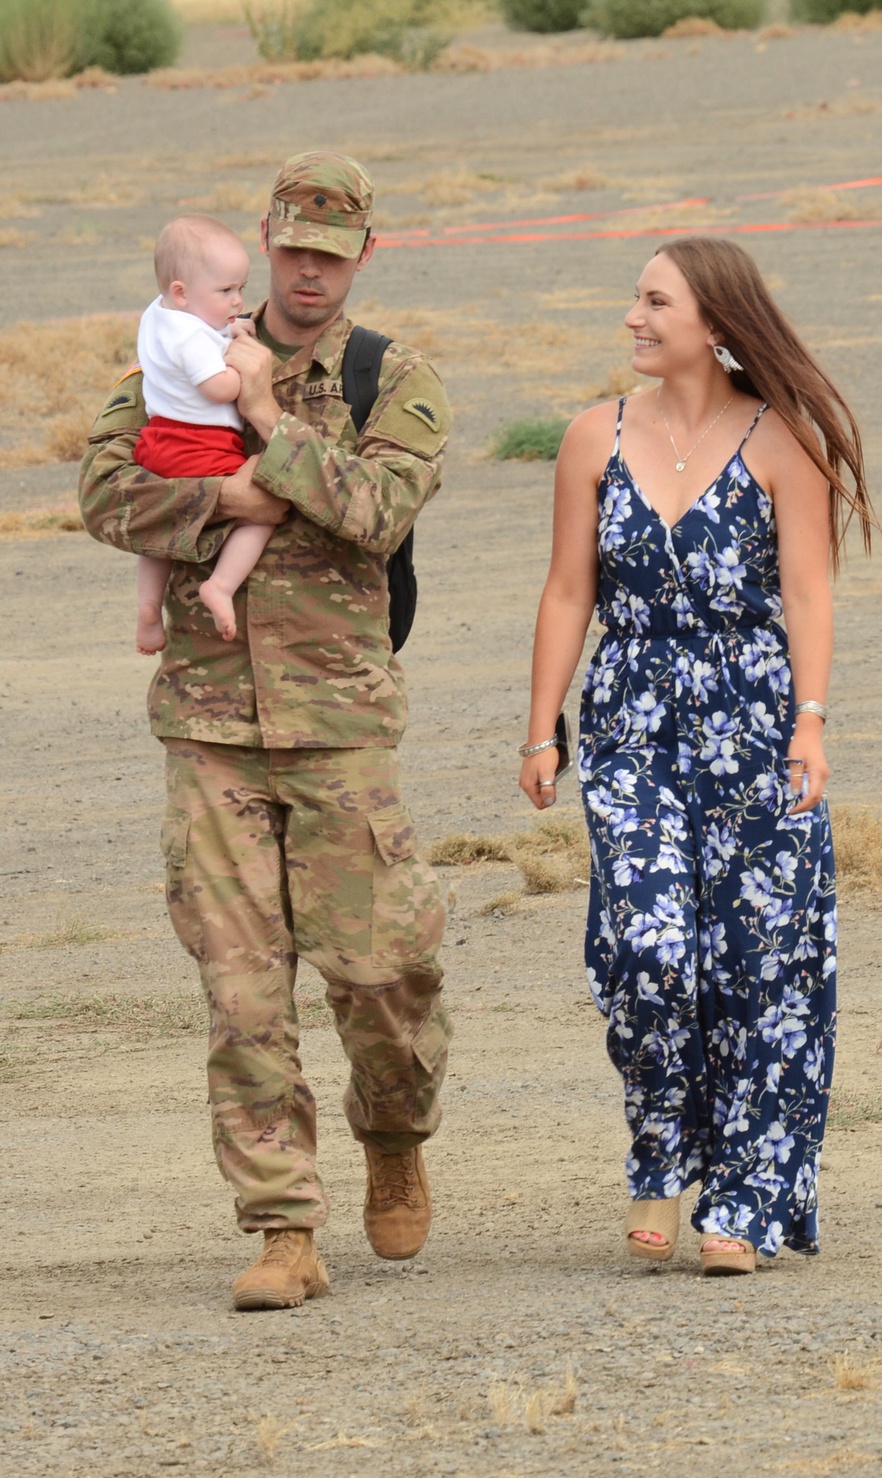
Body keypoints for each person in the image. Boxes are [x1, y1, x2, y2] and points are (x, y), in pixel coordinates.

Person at [80, 152, 452, 1311]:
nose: (303, 274)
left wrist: (266, 423)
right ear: (265, 239)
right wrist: (221, 499)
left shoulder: (393, 377)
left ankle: (394, 1129)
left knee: (383, 971)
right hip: (209, 722)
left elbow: (380, 509)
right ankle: (282, 1225)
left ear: (361, 260)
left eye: (328, 258)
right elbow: (103, 490)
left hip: (339, 723)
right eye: (289, 249)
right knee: (242, 990)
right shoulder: (173, 349)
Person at [519, 237, 873, 1276]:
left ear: (714, 324)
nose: (632, 316)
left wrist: (810, 719)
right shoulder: (593, 436)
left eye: (654, 300)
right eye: (635, 297)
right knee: (646, 952)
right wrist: (543, 726)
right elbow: (567, 592)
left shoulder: (781, 441)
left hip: (756, 719)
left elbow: (807, 591)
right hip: (632, 721)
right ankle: (663, 1150)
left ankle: (746, 1202)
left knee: (759, 964)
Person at [133, 214, 272, 654]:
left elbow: (198, 333)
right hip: (201, 443)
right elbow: (218, 388)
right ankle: (221, 585)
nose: (237, 299)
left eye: (241, 288)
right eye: (226, 291)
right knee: (263, 506)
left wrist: (226, 329)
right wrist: (245, 365)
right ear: (182, 291)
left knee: (163, 528)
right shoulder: (193, 338)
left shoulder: (160, 316)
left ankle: (149, 607)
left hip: (159, 441)